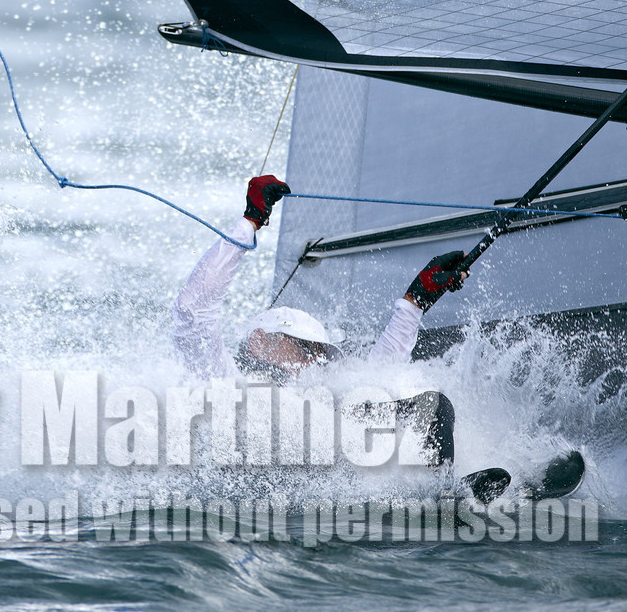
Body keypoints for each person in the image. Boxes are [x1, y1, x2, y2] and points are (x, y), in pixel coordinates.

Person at [173, 174, 467, 466]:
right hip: (251, 499)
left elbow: (380, 375)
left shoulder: (322, 407)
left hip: (320, 491)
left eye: (319, 355)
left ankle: (438, 490)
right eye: (305, 349)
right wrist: (250, 222)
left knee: (434, 406)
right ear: (259, 341)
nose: (313, 362)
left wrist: (416, 300)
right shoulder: (222, 380)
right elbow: (192, 310)